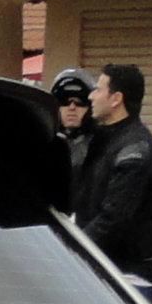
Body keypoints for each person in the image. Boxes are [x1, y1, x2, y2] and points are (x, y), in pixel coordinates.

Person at [76, 61, 152, 300]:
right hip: (105, 269)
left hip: (128, 277)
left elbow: (113, 219)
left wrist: (72, 249)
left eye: (98, 89)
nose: (91, 96)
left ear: (116, 98)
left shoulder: (134, 150)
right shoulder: (103, 140)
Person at [47, 68, 96, 205]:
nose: (72, 107)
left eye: (80, 101)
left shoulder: (99, 146)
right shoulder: (43, 143)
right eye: (64, 101)